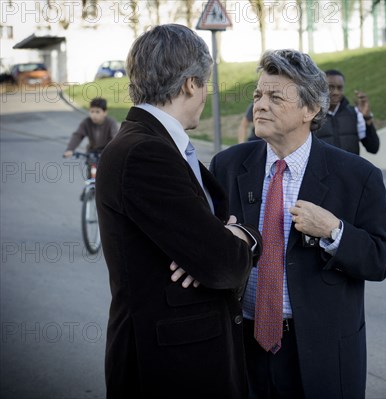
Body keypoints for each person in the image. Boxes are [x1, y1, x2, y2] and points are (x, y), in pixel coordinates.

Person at [202, 49, 386, 398]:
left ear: (311, 109)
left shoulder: (357, 176)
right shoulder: (228, 165)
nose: (260, 105)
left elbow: (380, 259)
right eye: (258, 95)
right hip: (242, 345)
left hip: (321, 351)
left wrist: (335, 232)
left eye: (275, 97)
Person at [95, 24, 262, 398]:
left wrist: (223, 238)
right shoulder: (145, 152)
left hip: (180, 358)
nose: (206, 93)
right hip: (171, 367)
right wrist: (237, 236)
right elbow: (222, 262)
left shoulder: (151, 142)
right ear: (190, 84)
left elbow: (211, 249)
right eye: (206, 83)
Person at [314, 69, 379, 155]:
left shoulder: (354, 114)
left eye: (340, 88)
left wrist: (367, 118)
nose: (336, 92)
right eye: (330, 87)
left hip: (352, 168)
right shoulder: (311, 116)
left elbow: (373, 148)